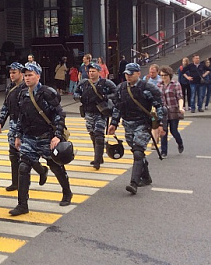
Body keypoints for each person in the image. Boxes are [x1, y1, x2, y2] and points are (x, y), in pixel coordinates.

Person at [9, 62, 72, 215]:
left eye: (30, 75)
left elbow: (59, 114)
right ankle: (22, 205)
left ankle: (67, 192)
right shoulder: (23, 94)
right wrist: (18, 136)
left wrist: (57, 136)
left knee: (56, 166)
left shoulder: (47, 93)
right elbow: (21, 117)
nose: (27, 78)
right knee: (23, 168)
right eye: (25, 75)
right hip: (29, 138)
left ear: (38, 75)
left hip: (46, 137)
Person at [108, 63, 165, 194]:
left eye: (131, 74)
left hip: (143, 124)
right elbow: (117, 107)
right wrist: (114, 123)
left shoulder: (148, 88)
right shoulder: (121, 88)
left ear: (138, 73)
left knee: (138, 151)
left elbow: (159, 106)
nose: (128, 76)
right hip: (127, 124)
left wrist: (161, 124)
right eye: (126, 74)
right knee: (136, 151)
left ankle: (134, 183)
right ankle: (146, 177)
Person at [73, 62, 117, 170]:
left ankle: (97, 161)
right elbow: (75, 93)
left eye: (93, 71)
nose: (91, 73)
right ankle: (99, 156)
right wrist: (79, 97)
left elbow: (116, 93)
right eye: (90, 71)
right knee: (92, 134)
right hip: (88, 112)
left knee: (99, 135)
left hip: (101, 113)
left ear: (98, 72)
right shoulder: (84, 83)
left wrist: (106, 97)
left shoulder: (105, 83)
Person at [0, 62, 26, 191]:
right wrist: (0, 122)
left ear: (21, 73)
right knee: (13, 154)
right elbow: (6, 106)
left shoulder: (25, 88)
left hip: (24, 124)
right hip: (13, 123)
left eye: (14, 72)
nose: (11, 75)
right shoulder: (10, 87)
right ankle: (15, 183)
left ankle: (41, 171)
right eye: (10, 72)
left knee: (26, 154)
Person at [157, 66, 185, 158]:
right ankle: (164, 151)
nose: (163, 77)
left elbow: (180, 97)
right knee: (163, 131)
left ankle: (180, 143)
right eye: (161, 75)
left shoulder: (175, 84)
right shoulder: (159, 85)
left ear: (169, 75)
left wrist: (181, 108)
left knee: (174, 131)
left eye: (165, 75)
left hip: (174, 111)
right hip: (163, 112)